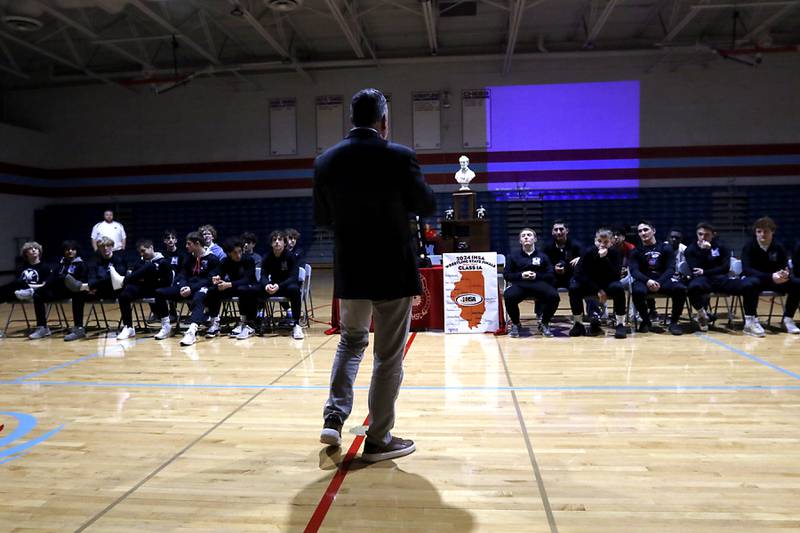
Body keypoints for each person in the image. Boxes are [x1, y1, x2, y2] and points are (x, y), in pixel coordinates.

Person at [314, 87, 435, 462]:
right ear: (383, 121)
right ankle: (379, 438)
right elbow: (426, 204)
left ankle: (333, 418)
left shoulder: (326, 161)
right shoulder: (399, 157)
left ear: (352, 119)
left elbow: (322, 218)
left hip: (352, 267)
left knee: (350, 342)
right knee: (388, 356)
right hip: (393, 269)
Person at [155, 231, 220, 346]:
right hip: (187, 288)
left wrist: (191, 288)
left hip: (203, 289)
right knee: (159, 293)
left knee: (199, 297)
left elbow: (209, 280)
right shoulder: (188, 258)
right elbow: (182, 275)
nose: (186, 246)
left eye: (189, 244)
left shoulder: (213, 259)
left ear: (197, 244)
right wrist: (183, 286)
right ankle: (166, 326)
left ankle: (191, 332)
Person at [739, 217, 800, 336]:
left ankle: (788, 319)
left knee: (797, 284)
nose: (762, 234)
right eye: (759, 231)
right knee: (749, 285)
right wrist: (770, 276)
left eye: (765, 231)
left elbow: (784, 265)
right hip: (756, 279)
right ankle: (751, 322)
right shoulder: (749, 247)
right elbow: (747, 269)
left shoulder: (779, 247)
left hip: (774, 279)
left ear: (773, 232)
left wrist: (784, 274)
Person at [629, 220, 687, 335]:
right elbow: (634, 271)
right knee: (637, 291)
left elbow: (671, 269)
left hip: (663, 280)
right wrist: (648, 281)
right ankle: (646, 321)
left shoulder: (665, 247)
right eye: (640, 231)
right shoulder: (635, 251)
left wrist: (659, 282)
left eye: (646, 230)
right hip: (645, 280)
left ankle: (674, 322)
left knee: (680, 288)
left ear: (653, 231)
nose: (643, 233)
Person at [568, 228, 627, 339]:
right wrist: (598, 290)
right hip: (591, 284)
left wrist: (604, 258)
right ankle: (578, 323)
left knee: (618, 288)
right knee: (574, 287)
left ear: (611, 242)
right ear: (595, 240)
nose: (602, 244)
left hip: (608, 283)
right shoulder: (588, 251)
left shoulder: (615, 252)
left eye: (606, 242)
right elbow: (578, 273)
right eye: (599, 241)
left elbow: (615, 275)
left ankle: (620, 324)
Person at [503, 228, 559, 338]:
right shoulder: (513, 256)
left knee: (554, 296)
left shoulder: (543, 256)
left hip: (539, 284)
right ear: (520, 241)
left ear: (535, 239)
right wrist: (521, 275)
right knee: (508, 296)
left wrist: (537, 275)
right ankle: (516, 323)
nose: (526, 237)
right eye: (523, 236)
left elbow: (551, 275)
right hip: (520, 285)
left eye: (529, 235)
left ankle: (544, 322)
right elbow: (507, 275)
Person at [684, 222, 740, 332]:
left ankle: (750, 319)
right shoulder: (691, 249)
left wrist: (705, 271)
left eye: (706, 235)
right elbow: (695, 269)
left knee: (742, 286)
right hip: (701, 279)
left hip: (718, 277)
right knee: (692, 287)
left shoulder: (722, 246)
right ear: (696, 234)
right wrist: (704, 252)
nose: (703, 237)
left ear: (713, 235)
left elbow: (725, 268)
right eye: (700, 234)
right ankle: (702, 315)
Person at [28, 240, 89, 341]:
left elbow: (83, 282)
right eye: (67, 249)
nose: (70, 251)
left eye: (73, 249)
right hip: (60, 291)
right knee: (38, 295)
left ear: (76, 251)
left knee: (77, 291)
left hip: (75, 291)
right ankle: (42, 327)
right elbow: (51, 279)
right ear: (63, 251)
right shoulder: (60, 264)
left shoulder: (81, 264)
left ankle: (79, 328)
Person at [115, 239, 173, 340]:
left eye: (143, 251)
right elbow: (133, 277)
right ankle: (128, 327)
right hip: (144, 288)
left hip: (159, 289)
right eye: (140, 252)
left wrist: (145, 276)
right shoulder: (139, 262)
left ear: (151, 248)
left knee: (150, 267)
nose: (142, 254)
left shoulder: (164, 261)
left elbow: (166, 281)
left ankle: (166, 326)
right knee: (124, 295)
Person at [206, 237, 259, 340]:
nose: (238, 255)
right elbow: (217, 273)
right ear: (228, 253)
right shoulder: (225, 261)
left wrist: (228, 284)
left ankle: (245, 323)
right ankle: (215, 322)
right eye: (235, 253)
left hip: (250, 287)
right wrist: (216, 279)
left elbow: (247, 280)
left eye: (240, 251)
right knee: (213, 290)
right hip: (234, 286)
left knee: (243, 289)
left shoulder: (249, 260)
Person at [0, 242, 51, 338]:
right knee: (6, 289)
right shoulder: (22, 267)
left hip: (36, 291)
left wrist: (31, 287)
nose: (33, 250)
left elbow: (45, 285)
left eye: (36, 248)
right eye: (30, 249)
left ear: (39, 251)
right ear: (25, 253)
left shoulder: (45, 267)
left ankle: (42, 328)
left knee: (22, 284)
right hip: (20, 292)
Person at [260, 230, 304, 340]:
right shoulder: (267, 257)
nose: (277, 242)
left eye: (280, 240)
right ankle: (256, 321)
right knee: (257, 288)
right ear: (271, 243)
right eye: (274, 240)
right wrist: (266, 285)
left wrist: (279, 286)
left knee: (295, 290)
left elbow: (294, 277)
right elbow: (263, 275)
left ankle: (296, 324)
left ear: (285, 243)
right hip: (274, 286)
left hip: (287, 286)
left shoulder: (290, 256)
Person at [542, 219, 582, 290]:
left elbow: (588, 258)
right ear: (552, 232)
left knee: (576, 288)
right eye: (556, 230)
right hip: (553, 277)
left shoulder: (576, 246)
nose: (558, 232)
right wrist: (554, 268)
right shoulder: (546, 247)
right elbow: (543, 265)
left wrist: (580, 258)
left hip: (570, 277)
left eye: (561, 229)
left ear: (567, 231)